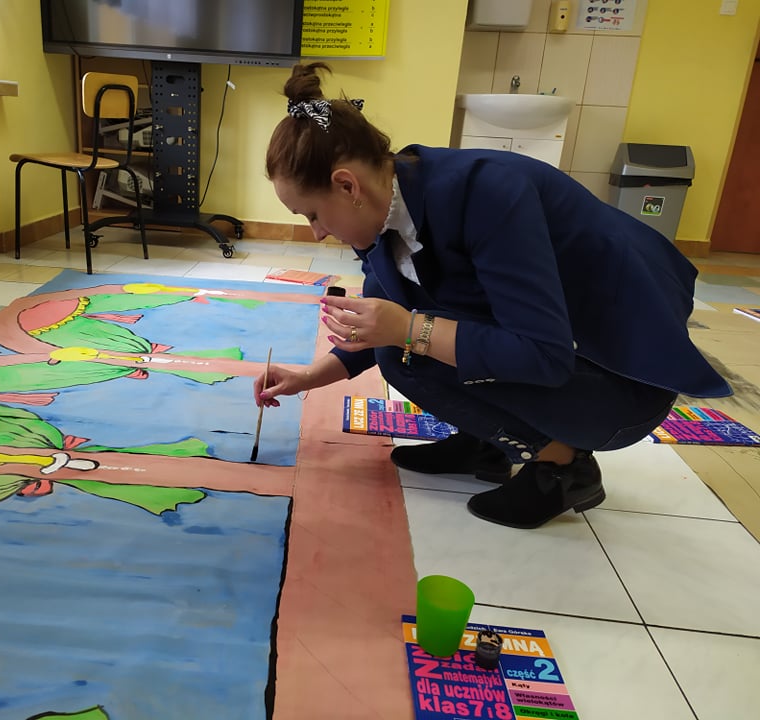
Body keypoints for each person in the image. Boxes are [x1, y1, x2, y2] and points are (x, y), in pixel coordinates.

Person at [254, 62, 731, 529]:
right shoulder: (385, 208)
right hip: (563, 350)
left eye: (312, 214)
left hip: (621, 381)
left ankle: (563, 467)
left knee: (409, 348)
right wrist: (307, 378)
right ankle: (486, 443)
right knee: (399, 347)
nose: (316, 233)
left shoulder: (486, 193)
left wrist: (408, 328)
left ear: (347, 185)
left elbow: (543, 355)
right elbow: (379, 326)